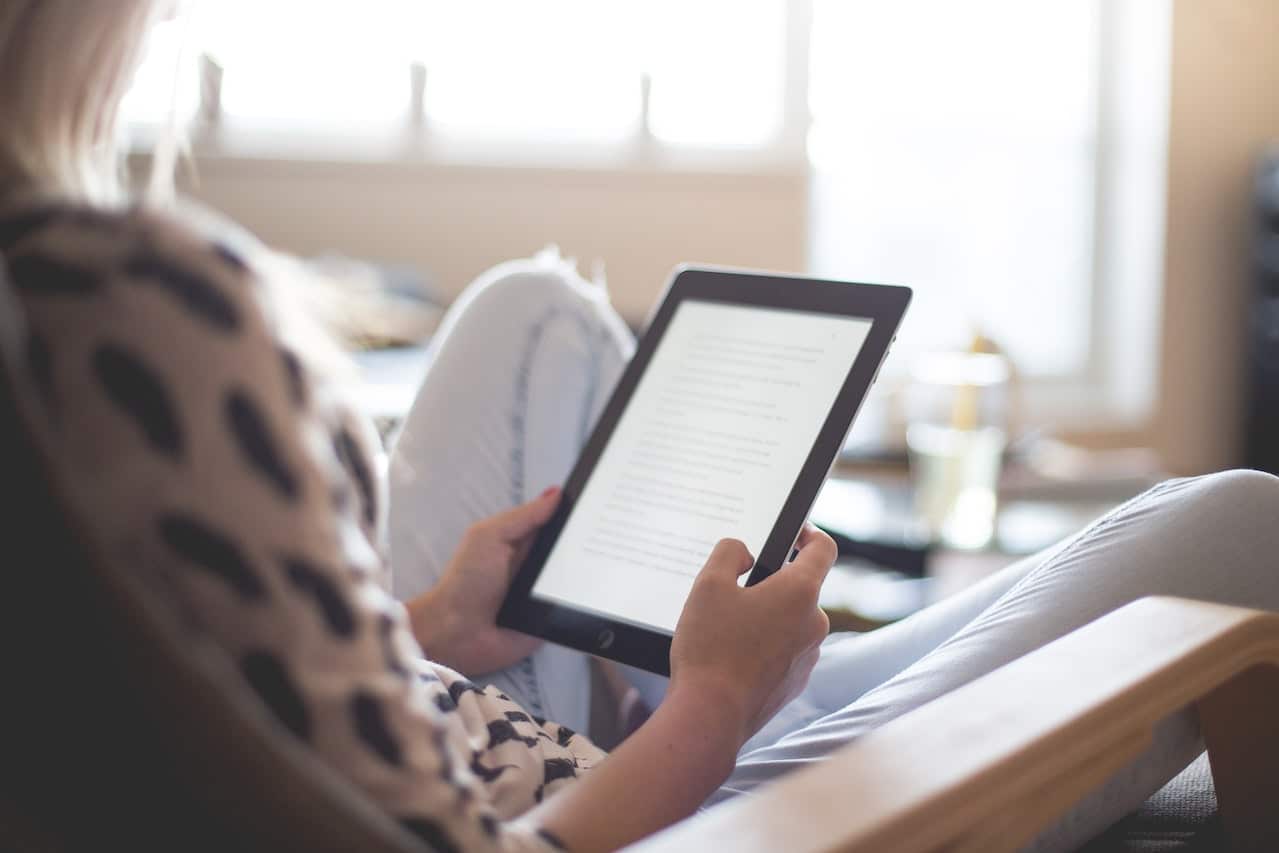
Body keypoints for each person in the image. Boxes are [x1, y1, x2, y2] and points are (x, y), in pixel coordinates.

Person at [2, 3, 1277, 851]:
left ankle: (691, 667)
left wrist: (439, 623)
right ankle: (729, 687)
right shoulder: (118, 303)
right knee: (1241, 521)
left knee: (537, 311)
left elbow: (238, 689)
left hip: (476, 706)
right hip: (659, 812)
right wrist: (707, 710)